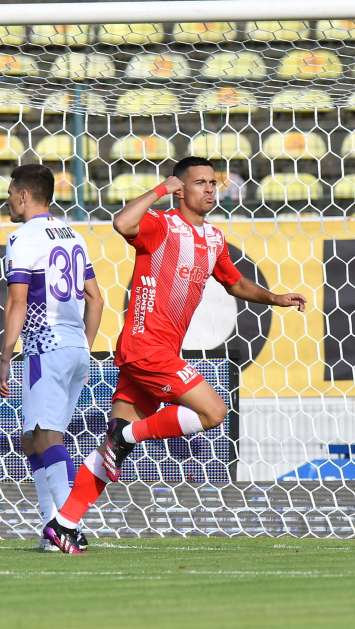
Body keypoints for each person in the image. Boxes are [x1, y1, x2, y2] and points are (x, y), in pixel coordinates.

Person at [43, 157, 308, 554]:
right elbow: (121, 223)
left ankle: (62, 525)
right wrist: (160, 189)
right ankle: (125, 436)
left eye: (214, 182)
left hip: (156, 352)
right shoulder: (162, 224)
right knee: (213, 413)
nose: (210, 189)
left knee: (111, 455)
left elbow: (234, 283)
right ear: (181, 189)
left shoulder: (214, 239)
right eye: (200, 182)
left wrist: (275, 298)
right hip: (145, 347)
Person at [0, 165, 104, 551]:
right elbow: (96, 298)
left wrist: (6, 356)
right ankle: (49, 528)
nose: (7, 199)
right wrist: (83, 346)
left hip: (45, 346)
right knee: (32, 438)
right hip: (75, 347)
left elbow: (17, 301)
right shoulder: (73, 234)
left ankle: (67, 525)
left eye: (10, 193)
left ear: (24, 196)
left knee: (49, 435)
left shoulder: (22, 237)